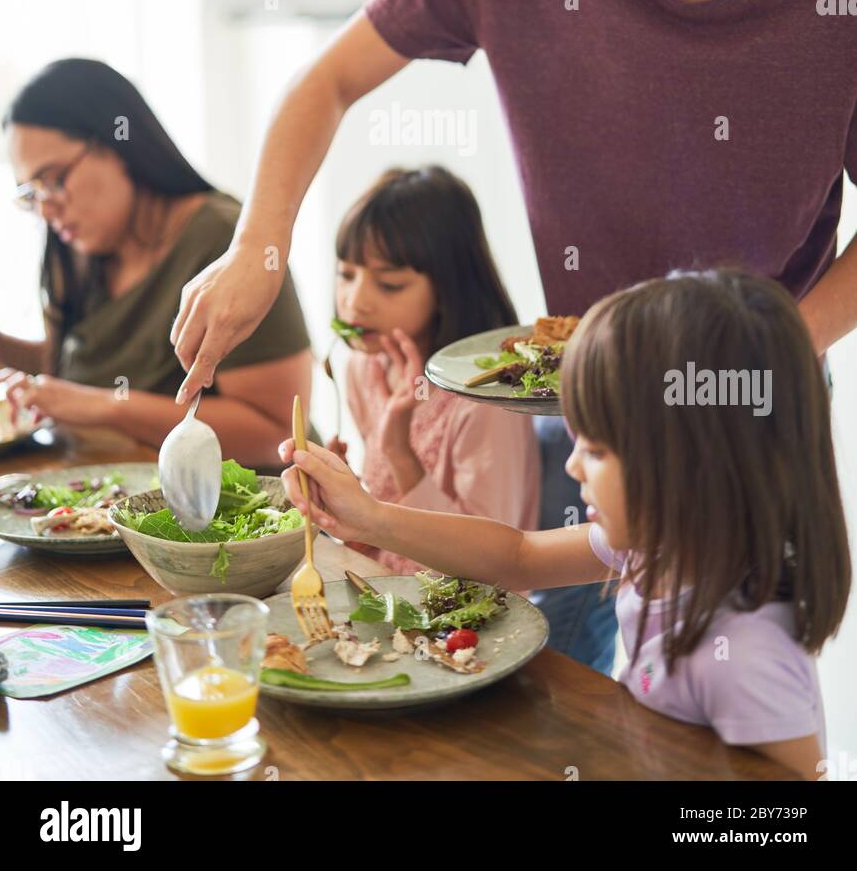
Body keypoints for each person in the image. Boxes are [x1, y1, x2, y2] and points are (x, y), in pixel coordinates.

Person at [170, 0, 857, 674]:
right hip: (584, 405)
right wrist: (259, 246)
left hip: (747, 428)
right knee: (581, 678)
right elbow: (331, 79)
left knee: (730, 717)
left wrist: (768, 351)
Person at [278, 269, 851, 783]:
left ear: (690, 466)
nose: (573, 464)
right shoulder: (663, 546)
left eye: (598, 450)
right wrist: (370, 515)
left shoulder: (745, 657)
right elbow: (519, 556)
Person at [0, 58, 311, 463]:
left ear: (118, 144)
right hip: (105, 495)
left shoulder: (224, 243)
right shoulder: (76, 248)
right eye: (31, 194)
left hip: (236, 512)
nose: (47, 210)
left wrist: (108, 406)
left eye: (54, 179)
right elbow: (76, 368)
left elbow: (274, 433)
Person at [326, 166, 539, 574]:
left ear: (447, 287)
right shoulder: (362, 368)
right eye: (346, 275)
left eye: (389, 284)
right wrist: (344, 503)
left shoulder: (485, 401)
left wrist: (398, 454)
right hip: (388, 593)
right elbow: (379, 536)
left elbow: (490, 567)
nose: (355, 302)